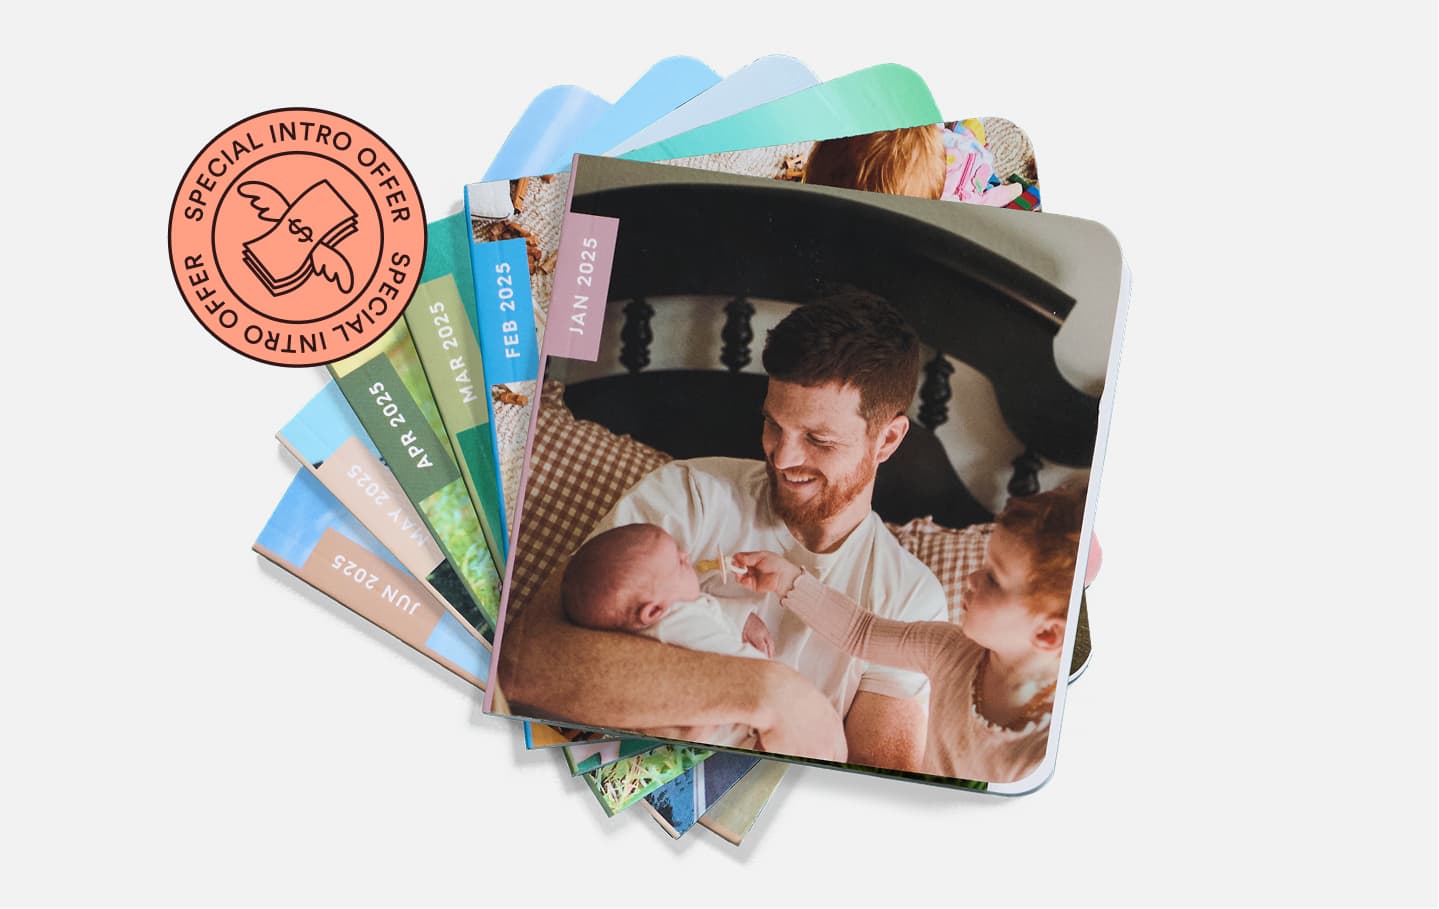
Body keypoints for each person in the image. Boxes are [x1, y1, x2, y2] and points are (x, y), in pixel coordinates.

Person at [497, 295, 947, 768]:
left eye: (819, 440)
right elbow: (525, 664)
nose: (783, 457)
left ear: (888, 440)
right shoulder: (689, 497)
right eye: (773, 425)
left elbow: (871, 792)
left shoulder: (908, 598)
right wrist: (770, 693)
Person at [732, 481, 1087, 784]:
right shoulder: (949, 650)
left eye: (994, 579)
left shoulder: (1045, 746)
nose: (973, 579)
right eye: (984, 564)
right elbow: (862, 631)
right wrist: (789, 580)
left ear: (1047, 635)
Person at [561, 522, 776, 662]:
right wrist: (777, 674)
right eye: (679, 563)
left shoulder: (670, 614)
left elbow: (704, 607)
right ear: (654, 611)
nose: (686, 556)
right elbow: (740, 662)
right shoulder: (678, 623)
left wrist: (741, 619)